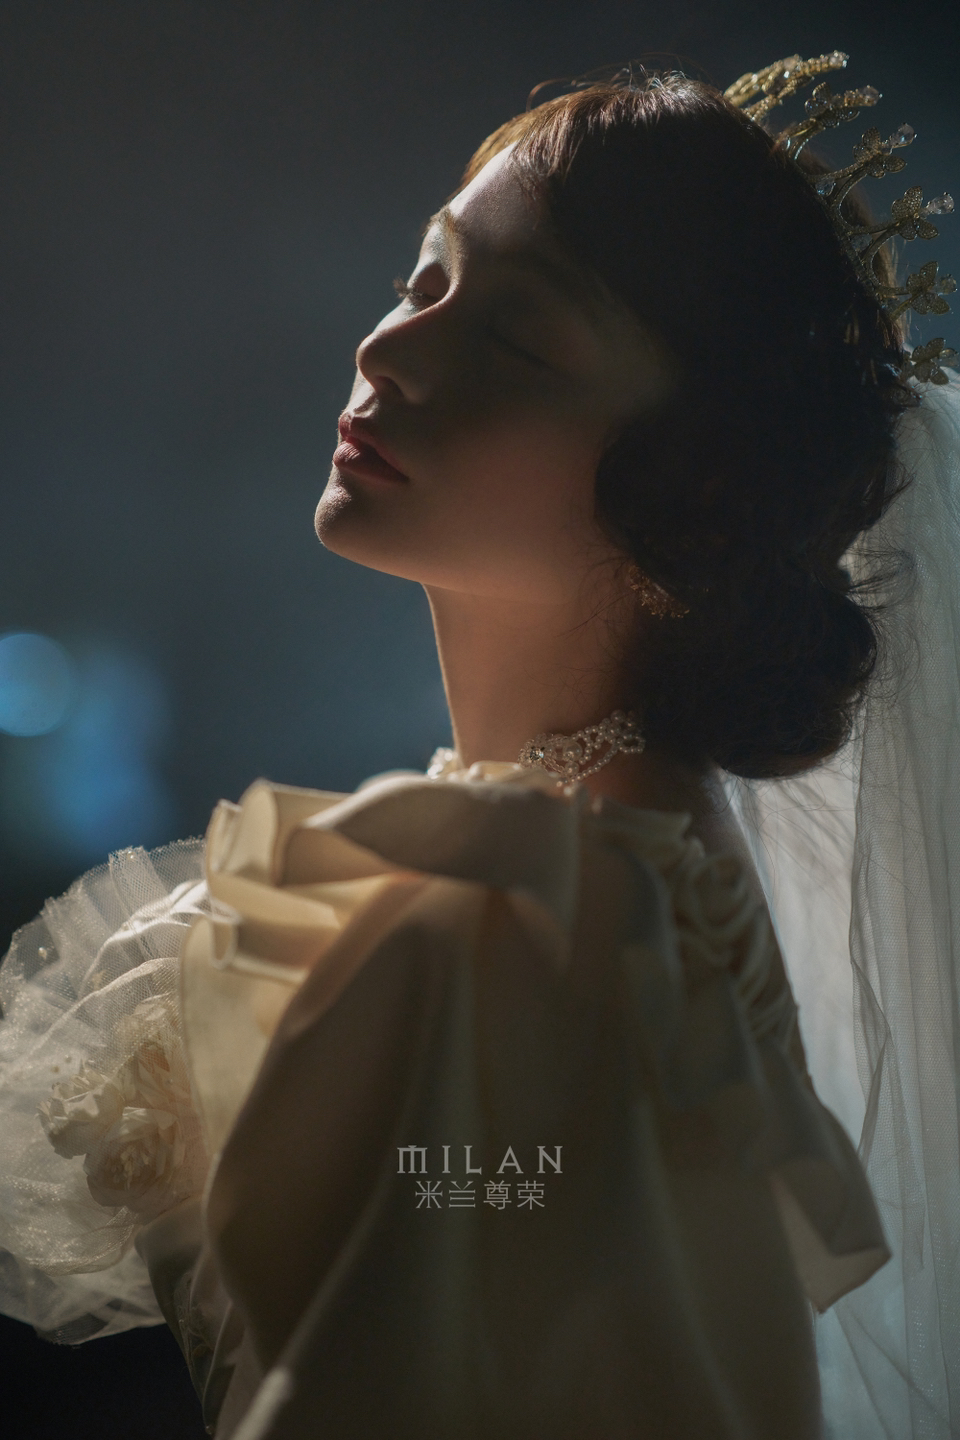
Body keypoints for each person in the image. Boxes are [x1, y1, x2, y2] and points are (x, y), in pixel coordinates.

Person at [0, 53, 957, 1440]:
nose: (388, 347)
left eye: (518, 338)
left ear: (696, 497)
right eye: (427, 276)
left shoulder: (544, 920)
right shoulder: (596, 869)